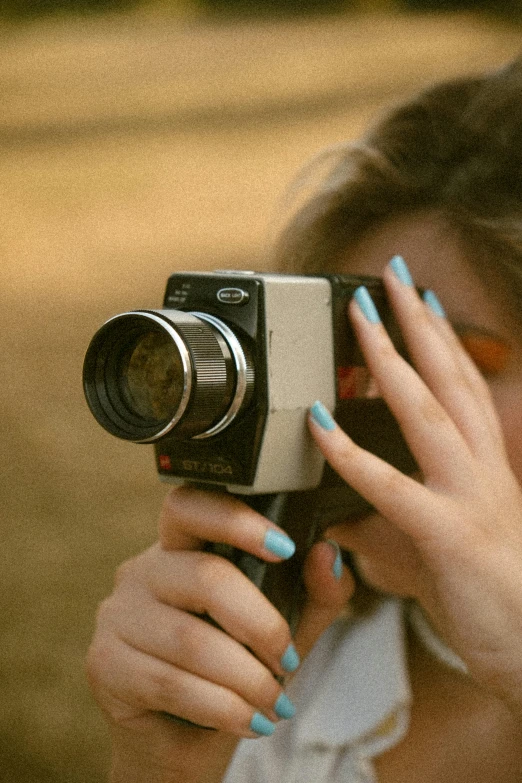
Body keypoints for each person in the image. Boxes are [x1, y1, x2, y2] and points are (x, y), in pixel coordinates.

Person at [86, 58, 522, 782]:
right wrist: (163, 766)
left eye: (447, 362)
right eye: (345, 351)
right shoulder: (285, 682)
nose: (367, 408)